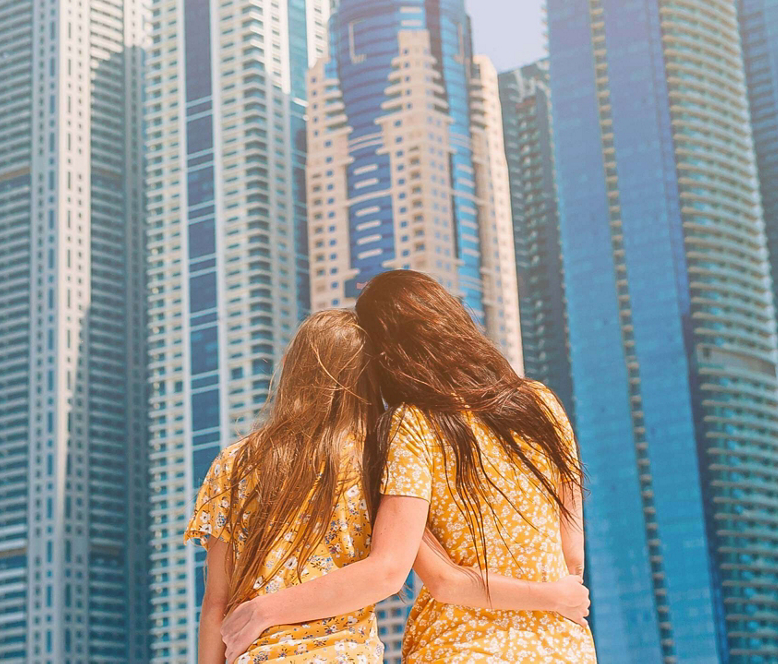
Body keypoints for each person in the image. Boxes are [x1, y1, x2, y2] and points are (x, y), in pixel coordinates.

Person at [221, 272, 595, 662]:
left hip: (460, 647)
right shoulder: (538, 402)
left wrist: (262, 610)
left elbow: (435, 580)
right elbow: (571, 558)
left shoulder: (412, 426)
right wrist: (552, 597)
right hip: (562, 645)